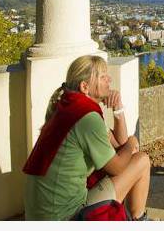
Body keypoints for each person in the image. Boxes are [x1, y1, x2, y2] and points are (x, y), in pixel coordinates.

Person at [23, 55, 153, 220]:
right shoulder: (87, 118)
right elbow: (118, 167)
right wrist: (133, 140)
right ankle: (139, 220)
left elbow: (119, 143)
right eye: (103, 76)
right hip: (67, 216)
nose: (109, 79)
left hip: (40, 215)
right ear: (85, 86)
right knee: (141, 160)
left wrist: (118, 108)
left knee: (130, 154)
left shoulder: (69, 107)